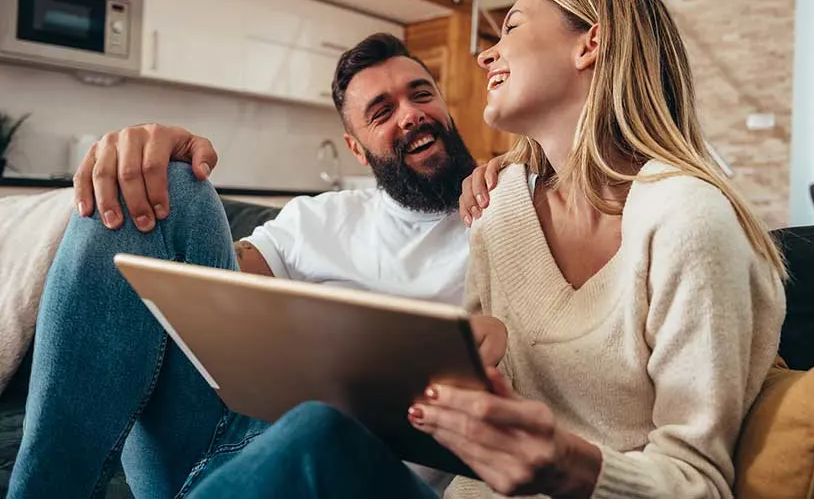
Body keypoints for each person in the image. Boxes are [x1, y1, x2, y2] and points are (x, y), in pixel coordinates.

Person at [181, 0, 789, 499]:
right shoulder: (502, 211)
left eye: (513, 28)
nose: (482, 57)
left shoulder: (689, 221)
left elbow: (702, 482)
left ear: (591, 44)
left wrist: (568, 464)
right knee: (318, 430)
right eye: (381, 110)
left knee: (312, 439)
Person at [8, 33, 504, 498]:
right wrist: (150, 152)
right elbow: (217, 274)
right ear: (355, 148)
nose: (411, 114)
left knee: (323, 428)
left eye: (421, 95)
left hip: (340, 470)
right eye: (382, 112)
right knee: (170, 185)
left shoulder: (506, 214)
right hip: (217, 442)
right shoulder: (321, 217)